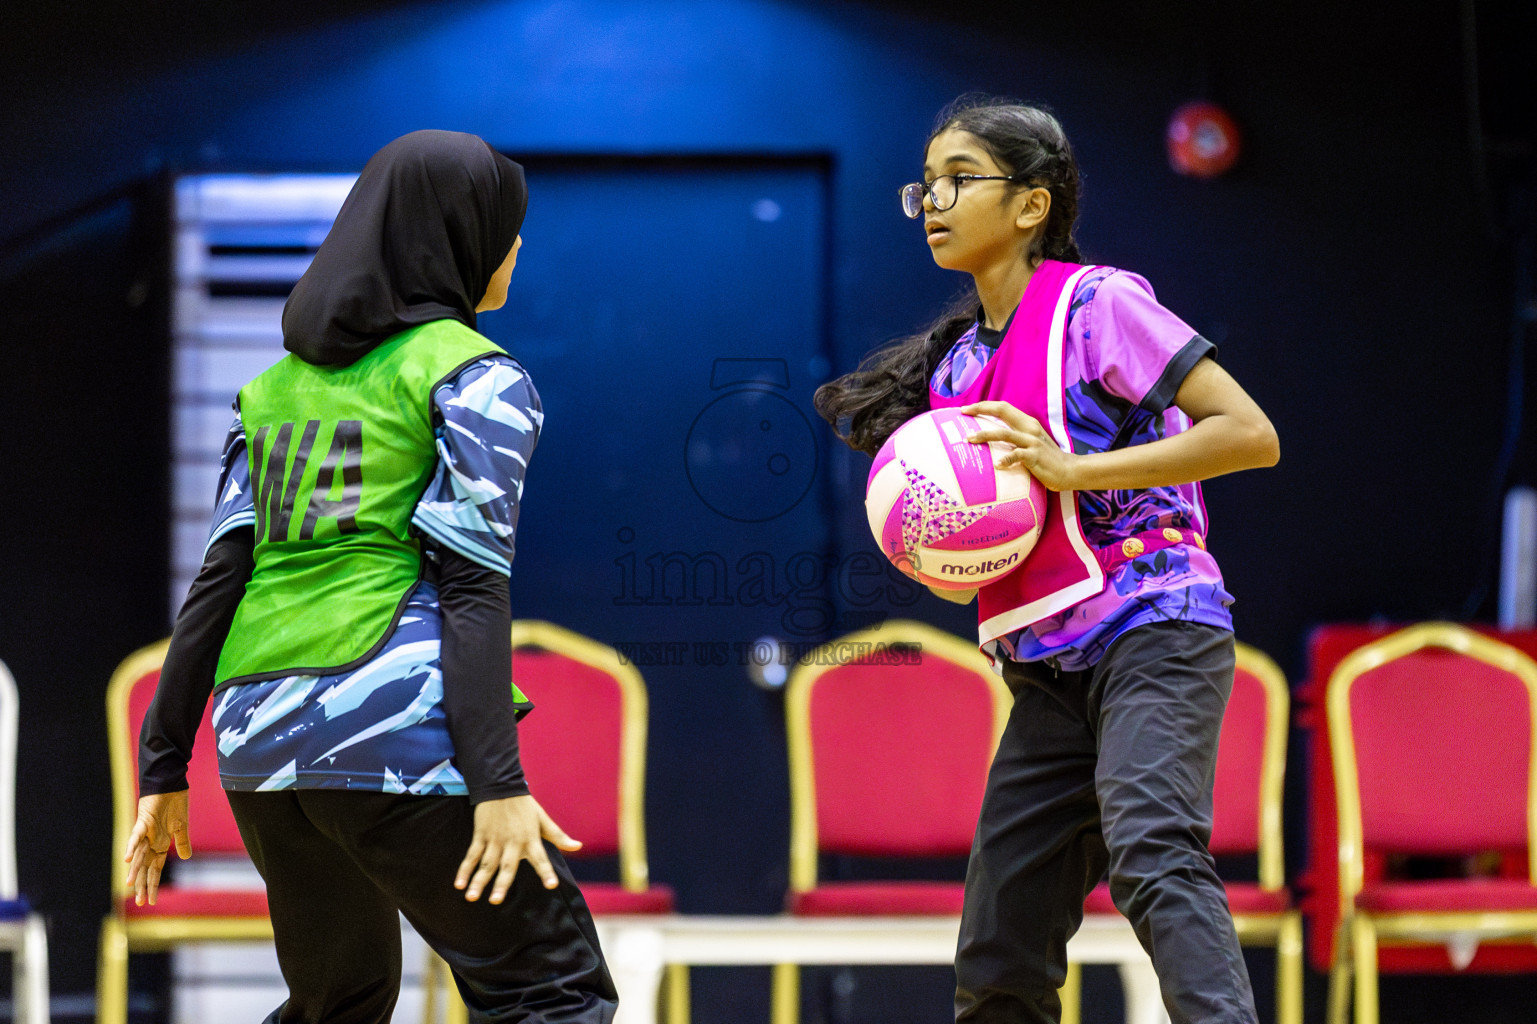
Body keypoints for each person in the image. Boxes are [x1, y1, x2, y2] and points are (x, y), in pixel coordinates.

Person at [125, 130, 618, 1024]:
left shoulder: (271, 389)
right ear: (459, 239)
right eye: (507, 227)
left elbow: (216, 584)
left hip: (257, 742)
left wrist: (163, 768)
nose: (515, 247)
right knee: (553, 993)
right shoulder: (476, 377)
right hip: (388, 724)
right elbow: (471, 585)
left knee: (335, 1003)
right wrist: (499, 788)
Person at [814, 96, 1280, 1024]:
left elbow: (1249, 433)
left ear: (1031, 205)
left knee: (1154, 854)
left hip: (1157, 628)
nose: (933, 201)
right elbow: (999, 529)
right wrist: (939, 550)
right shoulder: (952, 377)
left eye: (960, 179)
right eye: (925, 185)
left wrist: (1076, 469)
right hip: (1048, 666)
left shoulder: (1098, 304)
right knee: (1000, 935)